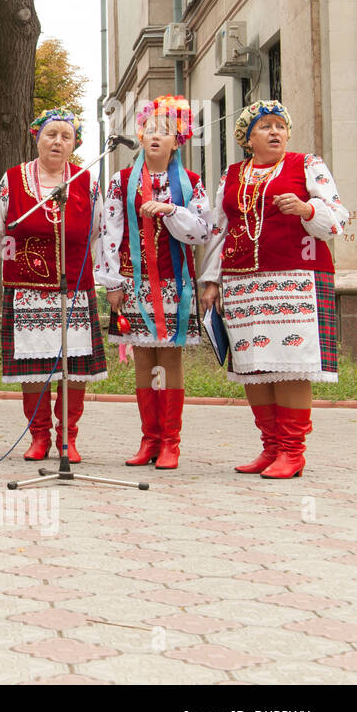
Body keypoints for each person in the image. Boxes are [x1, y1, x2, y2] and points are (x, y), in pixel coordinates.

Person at [198, 100, 348, 479]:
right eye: (265, 126)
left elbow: (338, 220)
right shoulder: (232, 175)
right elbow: (220, 230)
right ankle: (271, 447)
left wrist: (306, 209)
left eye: (280, 125)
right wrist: (211, 280)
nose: (276, 132)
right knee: (253, 367)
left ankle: (293, 451)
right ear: (248, 139)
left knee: (291, 366)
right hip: (242, 282)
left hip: (295, 280)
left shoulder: (307, 165)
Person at [0, 107, 107, 463]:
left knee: (74, 363)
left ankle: (68, 437)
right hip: (27, 287)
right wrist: (17, 263)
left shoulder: (88, 181)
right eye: (50, 134)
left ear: (75, 144)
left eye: (65, 136)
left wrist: (87, 267)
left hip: (74, 287)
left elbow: (98, 230)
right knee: (34, 362)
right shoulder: (12, 179)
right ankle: (39, 435)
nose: (57, 141)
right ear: (36, 138)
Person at [99, 95, 212, 469]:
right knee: (144, 358)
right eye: (150, 128)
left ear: (177, 141)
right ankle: (149, 439)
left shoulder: (191, 183)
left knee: (169, 357)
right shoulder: (122, 180)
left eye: (165, 131)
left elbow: (201, 231)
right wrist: (112, 280)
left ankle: (170, 441)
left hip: (173, 285)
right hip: (133, 284)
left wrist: (171, 210)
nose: (155, 136)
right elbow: (109, 229)